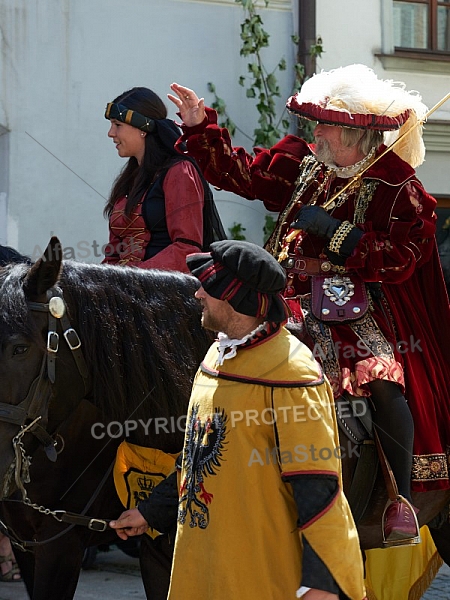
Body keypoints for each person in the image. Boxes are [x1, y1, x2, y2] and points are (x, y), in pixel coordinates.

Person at [167, 64, 450, 546]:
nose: (313, 134)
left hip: (353, 304)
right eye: (316, 125)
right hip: (282, 294)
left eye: (324, 126)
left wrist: (339, 235)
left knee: (379, 376)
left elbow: (402, 259)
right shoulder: (307, 164)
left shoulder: (399, 188)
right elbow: (245, 175)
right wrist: (200, 126)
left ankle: (399, 502)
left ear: (354, 133)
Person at [110, 240, 366, 600]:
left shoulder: (290, 372)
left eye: (208, 287)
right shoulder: (216, 355)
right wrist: (152, 512)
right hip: (202, 560)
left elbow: (316, 481)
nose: (198, 293)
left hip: (262, 571)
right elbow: (197, 455)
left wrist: (322, 582)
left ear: (235, 299)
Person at [103, 86, 223, 272]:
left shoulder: (179, 172)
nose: (111, 133)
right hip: (125, 291)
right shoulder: (129, 180)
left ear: (142, 128)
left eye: (117, 125)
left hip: (165, 292)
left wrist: (133, 278)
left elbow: (187, 249)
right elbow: (113, 255)